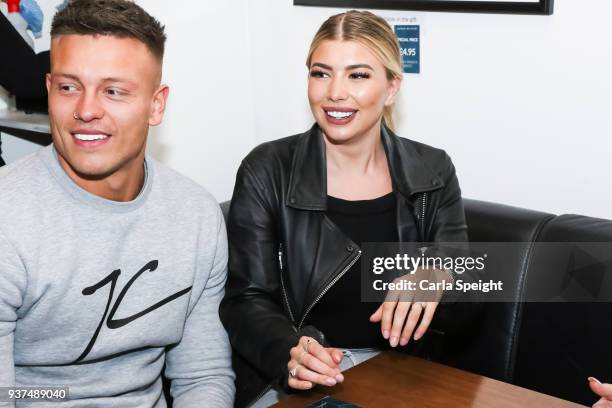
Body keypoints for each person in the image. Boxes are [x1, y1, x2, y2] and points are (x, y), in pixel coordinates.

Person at [220, 10, 481, 408]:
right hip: (301, 377)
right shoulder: (267, 169)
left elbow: (469, 291)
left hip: (402, 375)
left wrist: (438, 275)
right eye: (321, 73)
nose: (334, 93)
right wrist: (291, 350)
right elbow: (246, 300)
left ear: (392, 87)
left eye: (358, 75)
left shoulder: (432, 170)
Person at [0, 1, 234, 406]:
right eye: (69, 87)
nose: (86, 110)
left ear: (156, 105)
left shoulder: (196, 216)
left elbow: (203, 376)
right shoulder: (9, 218)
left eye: (113, 91)